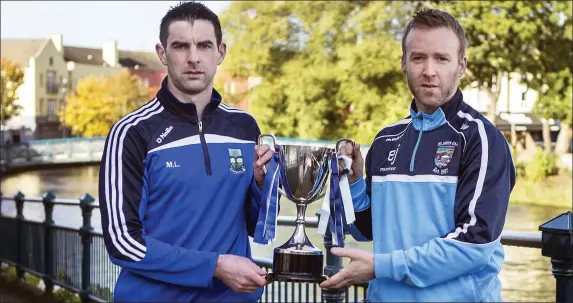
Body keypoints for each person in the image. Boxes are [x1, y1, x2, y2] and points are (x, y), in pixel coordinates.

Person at [320, 8, 516, 302]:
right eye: (418, 57)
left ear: (461, 65)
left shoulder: (481, 139)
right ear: (404, 63)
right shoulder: (386, 139)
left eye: (441, 58)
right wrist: (356, 182)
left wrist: (381, 267)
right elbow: (366, 229)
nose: (429, 71)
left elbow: (475, 244)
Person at [98, 2, 273, 302]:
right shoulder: (131, 133)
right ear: (162, 53)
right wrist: (214, 266)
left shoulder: (245, 126)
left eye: (204, 45)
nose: (193, 58)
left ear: (220, 52)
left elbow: (258, 225)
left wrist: (260, 185)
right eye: (180, 46)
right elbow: (122, 241)